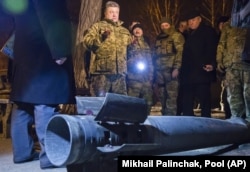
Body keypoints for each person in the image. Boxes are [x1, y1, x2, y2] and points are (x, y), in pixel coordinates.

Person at [8, 0, 76, 169]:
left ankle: (22, 152)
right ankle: (50, 157)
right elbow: (50, 15)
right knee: (45, 101)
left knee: (23, 104)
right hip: (42, 53)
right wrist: (59, 49)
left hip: (25, 53)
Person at [82, 1, 131, 97]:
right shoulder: (97, 26)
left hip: (119, 73)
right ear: (105, 13)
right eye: (111, 12)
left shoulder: (124, 31)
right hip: (102, 72)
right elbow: (87, 43)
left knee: (120, 102)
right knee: (100, 101)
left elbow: (128, 49)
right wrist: (101, 37)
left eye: (116, 12)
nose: (114, 14)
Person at [180, 10, 217, 117]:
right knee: (187, 101)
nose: (191, 22)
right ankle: (189, 124)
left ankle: (206, 124)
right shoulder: (188, 34)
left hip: (202, 72)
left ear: (199, 20)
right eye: (189, 21)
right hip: (188, 74)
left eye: (193, 20)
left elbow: (213, 49)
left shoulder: (207, 31)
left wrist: (212, 64)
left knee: (204, 100)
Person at [216, 18, 250, 122]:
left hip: (247, 65)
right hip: (231, 65)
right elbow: (222, 44)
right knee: (233, 96)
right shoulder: (229, 25)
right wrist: (219, 60)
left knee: (248, 95)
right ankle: (237, 121)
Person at [153, 17, 185, 115]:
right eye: (162, 26)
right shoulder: (158, 37)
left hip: (171, 71)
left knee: (172, 96)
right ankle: (164, 115)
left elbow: (180, 53)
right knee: (162, 95)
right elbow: (155, 55)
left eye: (166, 25)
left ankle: (171, 118)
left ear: (170, 25)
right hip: (160, 72)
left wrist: (177, 68)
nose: (164, 27)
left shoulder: (176, 36)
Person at [127, 22, 154, 114]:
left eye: (139, 29)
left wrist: (151, 75)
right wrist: (131, 62)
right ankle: (131, 120)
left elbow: (150, 60)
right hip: (133, 77)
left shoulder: (146, 43)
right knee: (132, 101)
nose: (137, 30)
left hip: (145, 78)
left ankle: (146, 119)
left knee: (148, 101)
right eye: (135, 29)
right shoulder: (129, 42)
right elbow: (124, 57)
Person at [216, 16, 232, 119]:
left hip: (231, 66)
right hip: (224, 68)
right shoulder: (219, 37)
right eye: (220, 24)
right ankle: (228, 113)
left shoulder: (230, 35)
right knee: (227, 92)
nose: (222, 26)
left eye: (224, 23)